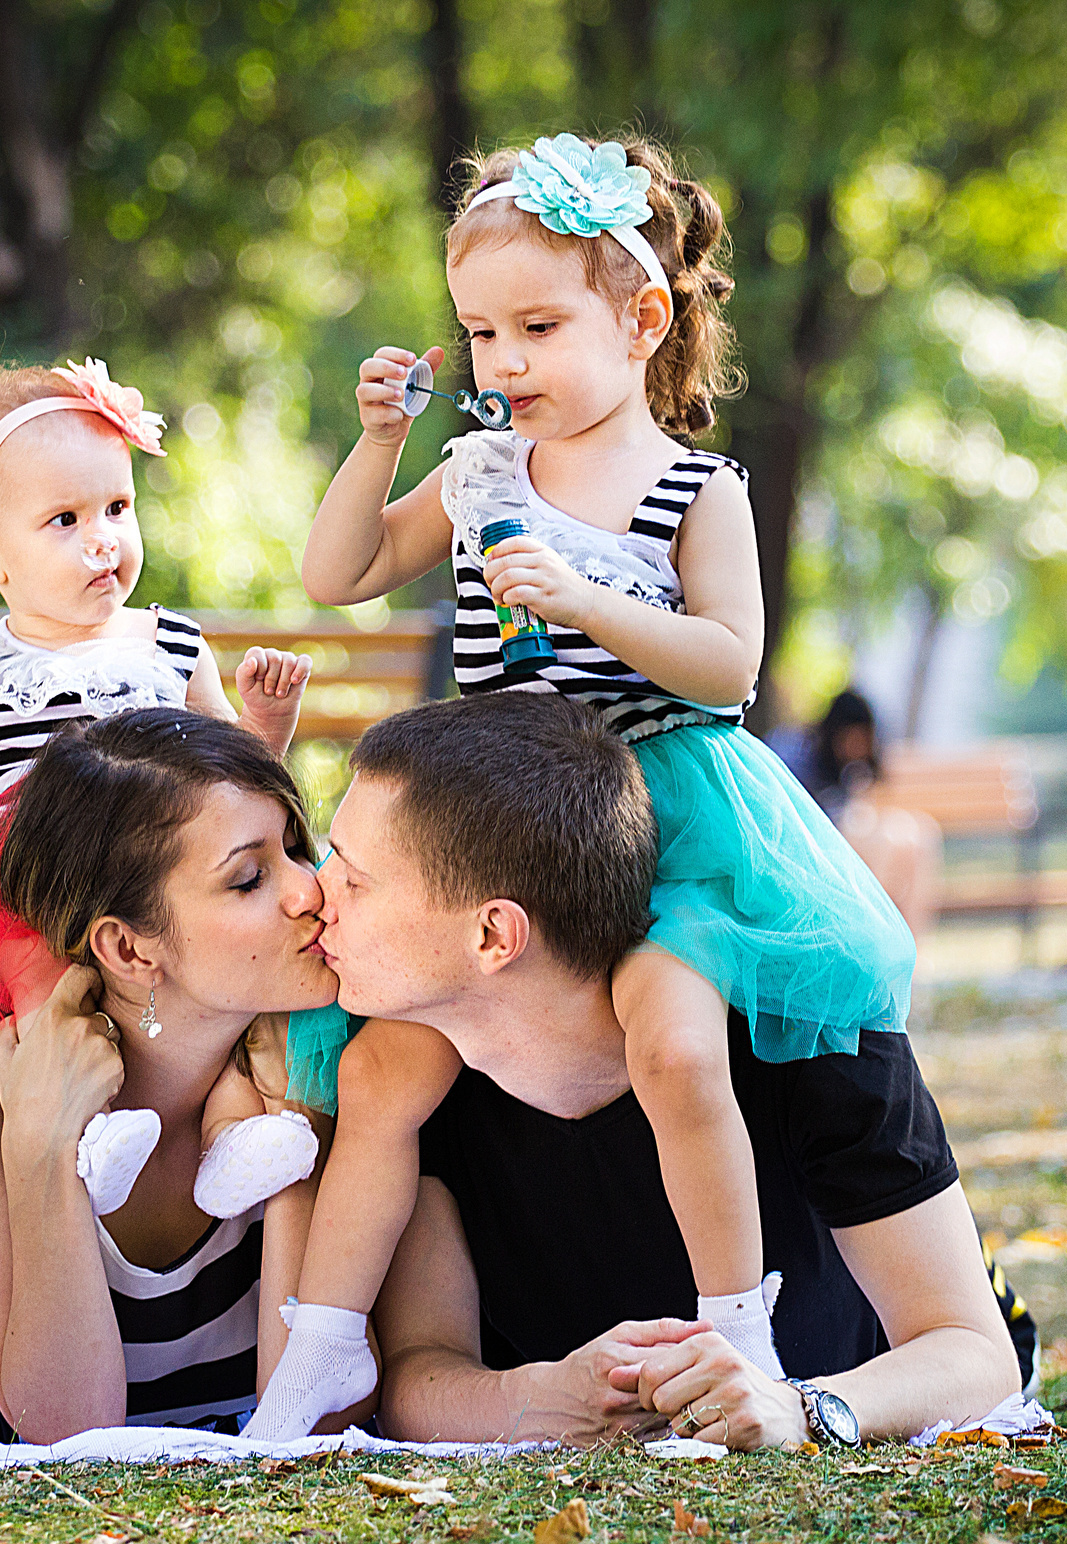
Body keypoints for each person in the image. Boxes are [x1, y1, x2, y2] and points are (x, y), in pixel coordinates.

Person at [251, 134, 914, 1437]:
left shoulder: (690, 487)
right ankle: (323, 1348)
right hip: (500, 824)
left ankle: (738, 1321)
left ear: (641, 317)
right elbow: (343, 569)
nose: (505, 364)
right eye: (482, 333)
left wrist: (593, 600)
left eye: (538, 326)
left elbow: (728, 669)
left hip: (664, 816)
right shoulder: (485, 466)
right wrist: (381, 439)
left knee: (671, 1036)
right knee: (387, 1073)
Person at [321, 693, 1034, 1449]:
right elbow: (417, 1374)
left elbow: (976, 1354)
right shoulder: (417, 1074)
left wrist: (801, 1406)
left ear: (495, 933)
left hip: (855, 1388)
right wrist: (534, 1397)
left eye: (354, 878)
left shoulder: (804, 1035)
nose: (315, 891)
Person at [0, 358, 313, 1197]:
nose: (103, 537)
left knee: (229, 1002)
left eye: (117, 506)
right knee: (49, 984)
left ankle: (233, 1137)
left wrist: (267, 727)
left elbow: (235, 781)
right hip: (27, 878)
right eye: (65, 519)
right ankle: (89, 1134)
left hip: (160, 873)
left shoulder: (169, 645)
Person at [0, 709, 350, 1440]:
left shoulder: (317, 1040)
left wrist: (298, 1132)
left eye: (297, 849)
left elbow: (308, 1414)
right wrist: (41, 1143)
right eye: (249, 878)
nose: (309, 891)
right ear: (128, 947)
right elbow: (65, 1429)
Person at [801, 688, 941, 938]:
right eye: (851, 738)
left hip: (862, 836)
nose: (856, 747)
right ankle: (868, 939)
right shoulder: (808, 759)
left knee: (922, 833)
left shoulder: (862, 765)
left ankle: (912, 948)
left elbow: (877, 803)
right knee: (880, 838)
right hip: (823, 845)